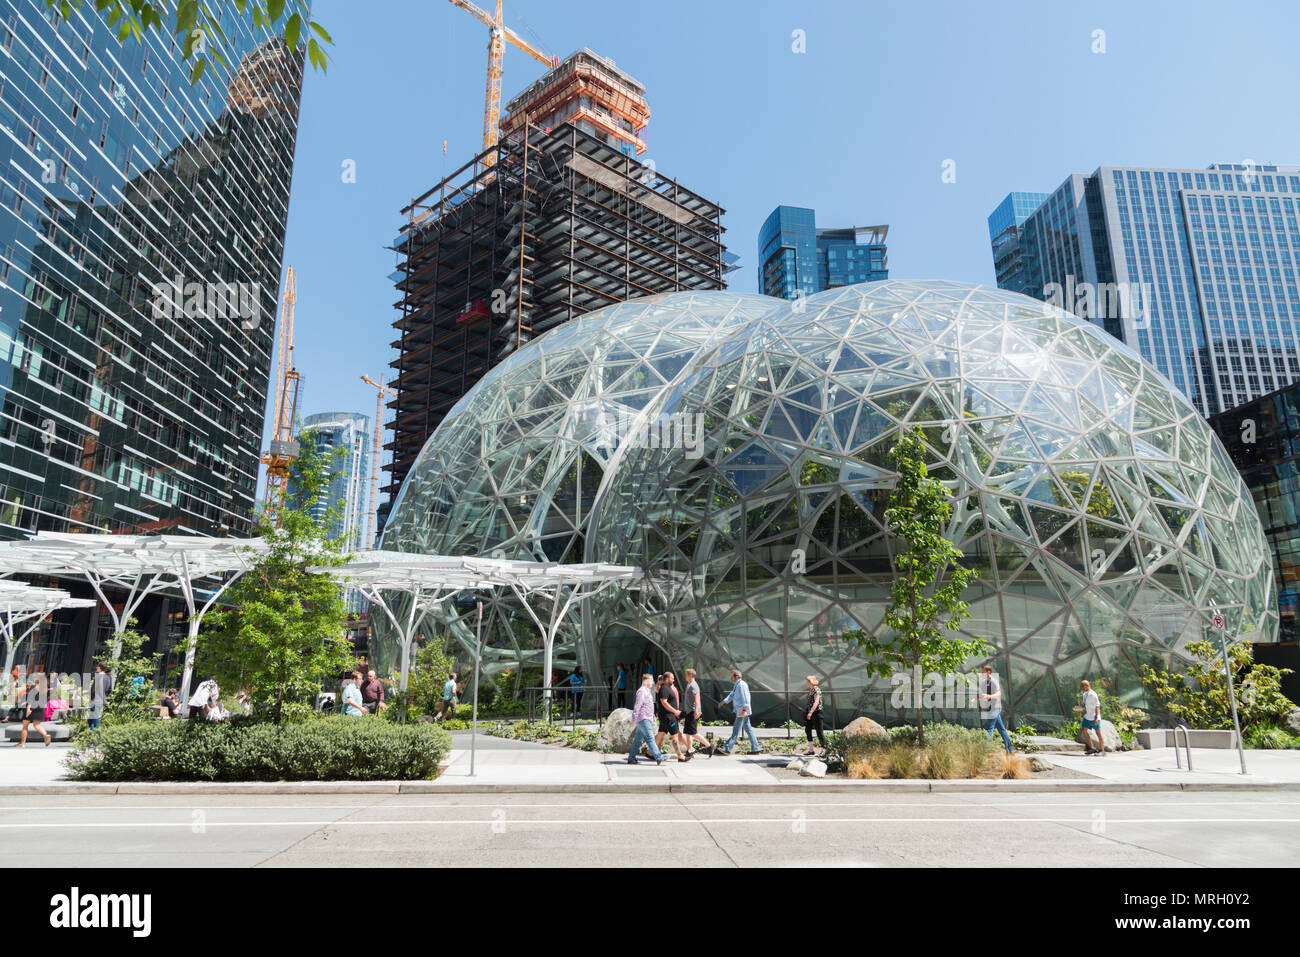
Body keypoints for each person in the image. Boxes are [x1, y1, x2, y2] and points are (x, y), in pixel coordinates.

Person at [718, 669, 761, 756]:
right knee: (748, 730)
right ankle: (755, 748)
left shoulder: (741, 685)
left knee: (736, 730)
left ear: (737, 677)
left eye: (732, 676)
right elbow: (732, 695)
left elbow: (746, 698)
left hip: (742, 711)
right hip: (741, 710)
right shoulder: (737, 685)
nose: (730, 678)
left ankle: (727, 748)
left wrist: (744, 710)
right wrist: (723, 702)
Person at [626, 673, 665, 765]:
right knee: (650, 738)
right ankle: (659, 757)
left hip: (645, 718)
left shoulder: (647, 691)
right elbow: (637, 706)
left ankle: (631, 758)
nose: (653, 682)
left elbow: (649, 706)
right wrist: (634, 719)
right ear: (646, 681)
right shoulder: (642, 691)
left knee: (638, 740)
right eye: (651, 680)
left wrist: (653, 718)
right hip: (643, 719)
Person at [975, 664, 1014, 753]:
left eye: (983, 672)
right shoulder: (985, 682)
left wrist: (990, 696)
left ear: (988, 672)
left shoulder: (994, 681)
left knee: (989, 728)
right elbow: (982, 694)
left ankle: (985, 749)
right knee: (1001, 730)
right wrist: (975, 699)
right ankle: (1011, 749)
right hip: (991, 708)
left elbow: (999, 694)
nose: (982, 674)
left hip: (995, 708)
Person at [680, 667, 713, 757]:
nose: (685, 677)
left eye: (686, 675)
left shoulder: (694, 685)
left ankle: (709, 746)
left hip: (692, 712)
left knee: (693, 732)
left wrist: (696, 711)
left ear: (690, 675)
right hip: (689, 711)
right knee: (688, 732)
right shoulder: (689, 684)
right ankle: (689, 751)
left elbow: (697, 698)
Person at [655, 671, 687, 761]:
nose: (674, 680)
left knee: (661, 734)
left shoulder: (667, 688)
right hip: (669, 716)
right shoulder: (664, 688)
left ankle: (650, 753)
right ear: (667, 679)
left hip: (666, 715)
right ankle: (680, 756)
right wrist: (675, 711)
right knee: (675, 736)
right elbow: (663, 701)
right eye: (672, 678)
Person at [15, 672, 51, 747]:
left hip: (32, 708)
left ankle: (22, 743)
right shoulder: (45, 688)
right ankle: (45, 735)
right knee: (36, 725)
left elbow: (31, 699)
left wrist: (28, 709)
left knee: (25, 725)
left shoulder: (34, 687)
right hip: (41, 708)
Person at [1080, 678, 1105, 755]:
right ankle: (1092, 748)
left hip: (1094, 717)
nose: (1081, 687)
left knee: (1098, 733)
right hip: (1087, 717)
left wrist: (1096, 717)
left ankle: (1102, 751)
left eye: (1082, 686)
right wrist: (1081, 710)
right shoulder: (1084, 694)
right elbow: (1086, 706)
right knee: (1084, 731)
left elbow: (1097, 706)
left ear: (1086, 686)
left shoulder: (1093, 694)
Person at [803, 675, 827, 752]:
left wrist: (810, 712)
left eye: (807, 681)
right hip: (810, 712)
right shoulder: (810, 690)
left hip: (817, 713)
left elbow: (816, 702)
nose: (806, 682)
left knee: (819, 732)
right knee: (808, 730)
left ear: (811, 682)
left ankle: (824, 750)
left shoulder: (817, 690)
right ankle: (811, 750)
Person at [88, 662, 111, 731]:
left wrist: (91, 699)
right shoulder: (108, 677)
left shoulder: (98, 676)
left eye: (97, 667)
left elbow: (93, 689)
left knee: (95, 717)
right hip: (102, 699)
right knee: (91, 719)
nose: (96, 668)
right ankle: (91, 735)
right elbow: (110, 689)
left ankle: (98, 733)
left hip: (96, 699)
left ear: (100, 668)